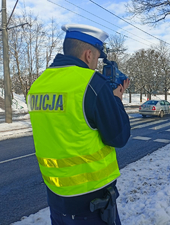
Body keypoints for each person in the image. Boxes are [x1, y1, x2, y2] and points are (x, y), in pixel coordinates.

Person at [27, 24, 131, 225]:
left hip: (56, 195)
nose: (96, 65)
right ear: (88, 55)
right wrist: (116, 100)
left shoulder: (38, 84)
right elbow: (119, 137)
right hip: (92, 200)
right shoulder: (92, 83)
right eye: (97, 58)